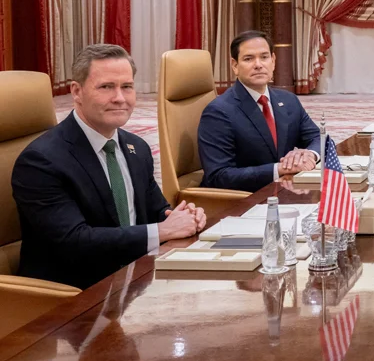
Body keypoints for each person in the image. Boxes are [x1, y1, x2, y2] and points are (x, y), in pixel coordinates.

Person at [13, 45, 205, 289]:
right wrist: (163, 231)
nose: (119, 98)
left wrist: (183, 218)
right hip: (75, 294)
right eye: (106, 87)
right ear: (77, 91)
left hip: (134, 280)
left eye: (127, 87)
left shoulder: (137, 148)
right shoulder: (41, 161)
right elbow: (74, 241)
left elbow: (156, 211)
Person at [199, 30, 321, 192]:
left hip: (284, 192)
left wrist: (310, 154)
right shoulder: (219, 112)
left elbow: (320, 139)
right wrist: (280, 169)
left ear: (273, 61)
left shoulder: (288, 100)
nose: (258, 65)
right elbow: (218, 176)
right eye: (248, 59)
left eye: (264, 57)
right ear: (235, 66)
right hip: (242, 199)